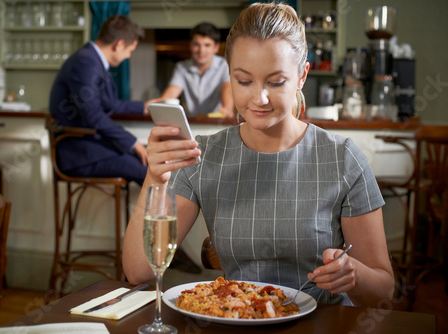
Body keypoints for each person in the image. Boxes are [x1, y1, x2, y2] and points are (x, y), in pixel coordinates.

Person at [123, 2, 394, 307]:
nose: (259, 98)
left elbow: (383, 290)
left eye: (276, 82)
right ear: (229, 75)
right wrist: (154, 177)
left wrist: (353, 273)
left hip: (323, 324)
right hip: (236, 318)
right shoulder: (203, 154)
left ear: (302, 76)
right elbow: (138, 271)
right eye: (243, 81)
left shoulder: (342, 157)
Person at [49, 15, 157, 185]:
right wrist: (133, 143)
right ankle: (158, 213)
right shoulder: (85, 62)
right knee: (150, 171)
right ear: (119, 44)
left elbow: (109, 103)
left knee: (152, 166)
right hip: (79, 154)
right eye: (130, 51)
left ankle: (154, 212)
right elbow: (93, 115)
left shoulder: (93, 60)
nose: (128, 56)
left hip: (90, 147)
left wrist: (144, 107)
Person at [159, 22, 234, 118]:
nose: (201, 50)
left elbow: (227, 89)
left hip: (217, 123)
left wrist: (227, 108)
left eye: (207, 45)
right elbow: (169, 96)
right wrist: (159, 104)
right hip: (192, 124)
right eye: (196, 44)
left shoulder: (225, 66)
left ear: (216, 48)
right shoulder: (181, 68)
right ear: (190, 46)